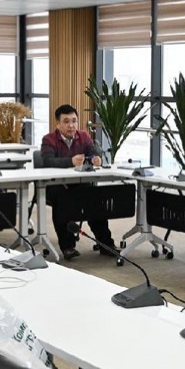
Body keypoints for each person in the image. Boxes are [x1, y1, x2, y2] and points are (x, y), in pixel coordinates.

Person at [41, 104, 114, 260]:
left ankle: (106, 244)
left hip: (79, 183)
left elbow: (93, 152)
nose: (71, 125)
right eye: (66, 121)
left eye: (74, 121)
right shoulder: (49, 139)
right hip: (54, 185)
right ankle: (67, 246)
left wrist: (96, 158)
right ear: (58, 123)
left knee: (95, 198)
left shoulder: (83, 136)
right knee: (62, 199)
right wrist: (71, 161)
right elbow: (47, 161)